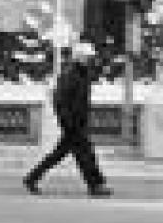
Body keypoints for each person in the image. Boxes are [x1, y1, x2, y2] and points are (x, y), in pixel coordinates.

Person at [21, 40, 111, 198]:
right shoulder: (71, 75)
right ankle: (95, 185)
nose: (90, 60)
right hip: (72, 123)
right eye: (88, 57)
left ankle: (32, 178)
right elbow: (60, 100)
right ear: (80, 57)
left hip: (77, 122)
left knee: (64, 154)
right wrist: (67, 121)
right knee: (85, 154)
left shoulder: (82, 74)